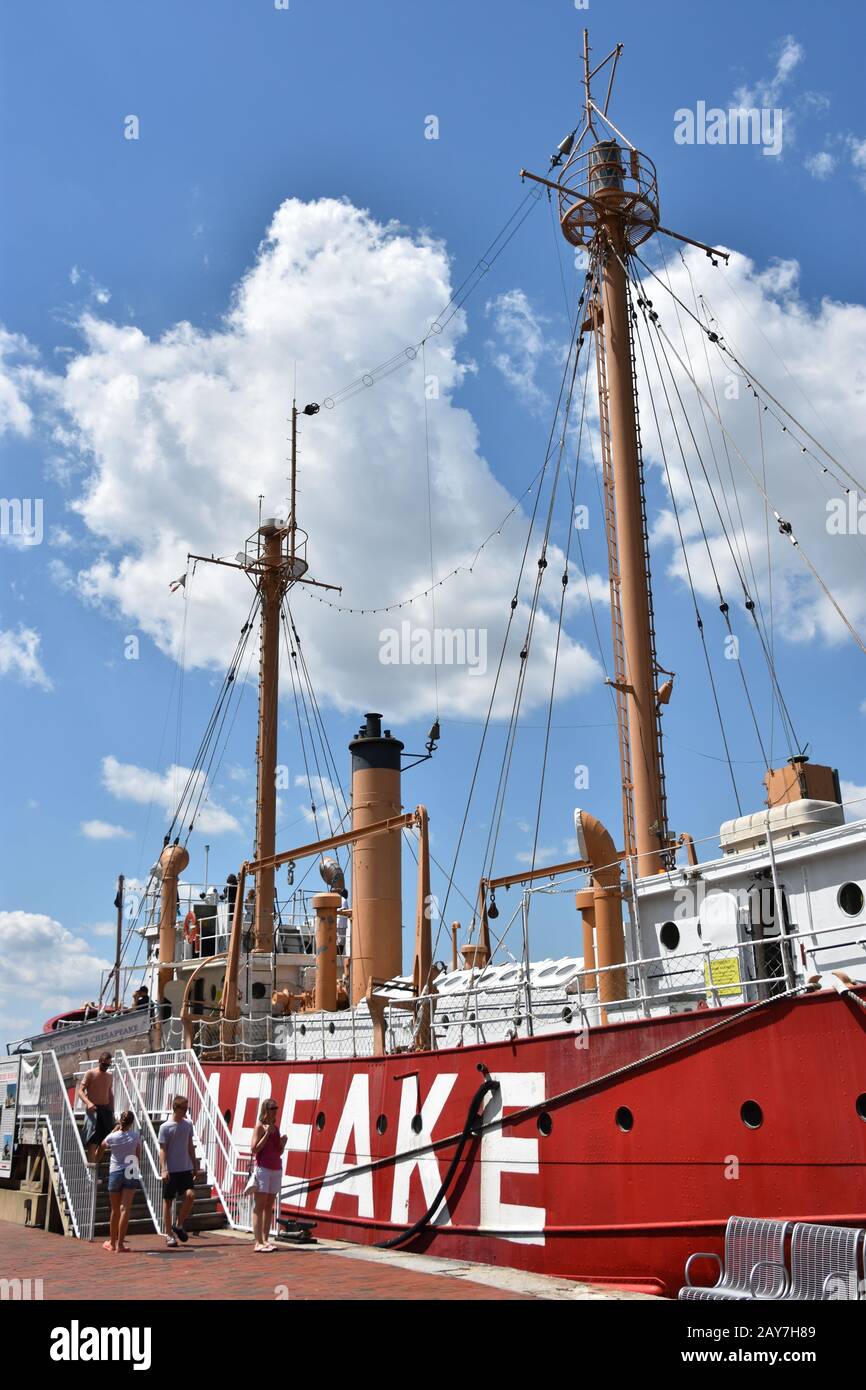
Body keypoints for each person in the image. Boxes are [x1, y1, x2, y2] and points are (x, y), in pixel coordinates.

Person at [157, 1095, 199, 1248]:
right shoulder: (165, 1127)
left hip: (185, 1168)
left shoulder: (187, 1124)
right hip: (172, 1169)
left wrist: (194, 1165)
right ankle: (168, 1234)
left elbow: (190, 1145)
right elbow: (162, 1149)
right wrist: (164, 1168)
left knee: (190, 1195)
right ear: (176, 1109)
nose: (186, 1112)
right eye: (184, 1109)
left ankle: (179, 1224)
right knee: (168, 1201)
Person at [97, 1110, 141, 1253]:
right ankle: (121, 1244)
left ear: (120, 1121)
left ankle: (112, 1243)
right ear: (132, 1122)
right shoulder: (135, 1136)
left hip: (115, 1170)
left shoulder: (112, 1136)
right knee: (125, 1209)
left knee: (115, 1209)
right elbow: (138, 1155)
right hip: (131, 1169)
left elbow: (101, 1147)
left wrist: (97, 1160)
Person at [250, 1099, 286, 1253]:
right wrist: (266, 1135)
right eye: (272, 1108)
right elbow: (254, 1149)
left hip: (275, 1168)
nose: (275, 1111)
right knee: (259, 1204)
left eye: (276, 1108)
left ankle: (265, 1240)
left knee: (269, 1204)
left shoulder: (275, 1129)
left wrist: (283, 1143)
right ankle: (257, 1242)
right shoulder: (260, 1127)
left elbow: (278, 1151)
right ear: (265, 1110)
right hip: (263, 1169)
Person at [78, 1052, 115, 1163]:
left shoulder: (109, 1076)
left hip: (106, 1111)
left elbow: (110, 1093)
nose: (105, 1067)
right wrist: (88, 1103)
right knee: (93, 1142)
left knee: (105, 1142)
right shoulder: (90, 1073)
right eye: (104, 1064)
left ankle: (95, 1166)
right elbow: (80, 1091)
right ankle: (92, 1171)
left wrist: (112, 1110)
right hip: (93, 1110)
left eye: (108, 1065)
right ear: (99, 1061)